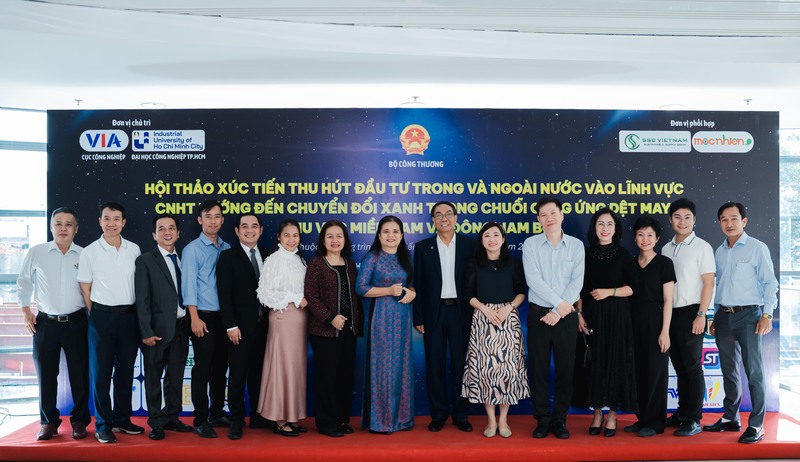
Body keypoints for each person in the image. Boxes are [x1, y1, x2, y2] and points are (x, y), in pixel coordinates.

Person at [706, 202, 778, 444]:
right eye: (724, 219)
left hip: (749, 317)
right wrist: (715, 315)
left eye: (734, 218)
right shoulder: (719, 251)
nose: (729, 224)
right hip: (723, 317)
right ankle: (730, 417)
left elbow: (770, 283)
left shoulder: (757, 247)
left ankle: (757, 424)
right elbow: (718, 285)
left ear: (744, 221)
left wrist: (767, 315)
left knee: (753, 372)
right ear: (719, 223)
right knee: (729, 371)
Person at [17, 207, 90, 441]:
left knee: (80, 374)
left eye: (69, 224)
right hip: (45, 323)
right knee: (46, 375)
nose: (63, 228)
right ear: (51, 227)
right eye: (58, 224)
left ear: (76, 229)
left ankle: (79, 421)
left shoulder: (85, 255)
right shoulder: (37, 252)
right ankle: (48, 422)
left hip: (77, 321)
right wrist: (25, 310)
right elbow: (23, 281)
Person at [77, 201, 142, 443]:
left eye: (116, 219)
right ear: (100, 222)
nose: (111, 223)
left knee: (125, 372)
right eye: (107, 218)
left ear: (123, 222)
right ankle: (103, 425)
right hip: (101, 317)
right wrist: (97, 312)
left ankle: (122, 420)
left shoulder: (134, 249)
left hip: (129, 317)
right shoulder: (90, 251)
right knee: (101, 374)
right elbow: (85, 287)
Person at [522, 196, 584, 439]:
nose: (549, 218)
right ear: (538, 219)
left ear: (562, 215)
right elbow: (533, 280)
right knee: (537, 369)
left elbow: (577, 282)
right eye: (544, 215)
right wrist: (557, 305)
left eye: (553, 213)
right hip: (539, 316)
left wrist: (558, 312)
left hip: (565, 318)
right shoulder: (531, 244)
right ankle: (542, 419)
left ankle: (559, 419)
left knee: (566, 369)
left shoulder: (576, 246)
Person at [461, 222, 528, 438]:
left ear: (503, 239)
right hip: (483, 319)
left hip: (508, 320)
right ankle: (491, 420)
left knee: (507, 371)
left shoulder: (513, 263)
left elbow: (521, 291)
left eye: (496, 235)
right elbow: (468, 293)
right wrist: (485, 309)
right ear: (481, 240)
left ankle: (504, 419)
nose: (492, 239)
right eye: (487, 235)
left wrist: (509, 308)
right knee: (486, 371)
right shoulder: (474, 263)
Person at [413, 201, 475, 433]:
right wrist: (418, 317)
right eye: (438, 215)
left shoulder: (470, 245)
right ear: (433, 220)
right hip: (434, 313)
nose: (444, 218)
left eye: (449, 214)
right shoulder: (423, 247)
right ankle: (438, 414)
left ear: (456, 218)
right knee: (435, 365)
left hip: (462, 313)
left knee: (461, 365)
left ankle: (461, 414)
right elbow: (419, 283)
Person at [577, 207, 638, 438]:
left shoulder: (622, 254)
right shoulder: (585, 254)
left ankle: (612, 415)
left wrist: (609, 292)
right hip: (591, 316)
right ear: (594, 227)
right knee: (595, 364)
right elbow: (579, 290)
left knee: (615, 363)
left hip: (616, 317)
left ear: (615, 228)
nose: (605, 228)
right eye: (601, 224)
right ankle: (597, 414)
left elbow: (633, 288)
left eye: (610, 224)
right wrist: (579, 315)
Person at [134, 214, 193, 440]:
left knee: (175, 376)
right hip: (156, 331)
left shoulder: (183, 259)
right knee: (153, 377)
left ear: (178, 233)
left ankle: (172, 416)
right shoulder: (145, 260)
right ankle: (156, 421)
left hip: (181, 327)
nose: (167, 232)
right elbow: (142, 300)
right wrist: (146, 332)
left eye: (171, 228)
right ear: (154, 235)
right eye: (161, 229)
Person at [357, 215, 417, 433]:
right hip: (380, 318)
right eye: (386, 231)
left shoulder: (406, 257)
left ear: (401, 236)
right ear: (379, 235)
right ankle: (381, 421)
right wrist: (388, 291)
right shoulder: (372, 257)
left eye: (395, 232)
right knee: (383, 367)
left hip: (402, 318)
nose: (391, 236)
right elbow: (361, 288)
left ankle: (401, 418)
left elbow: (412, 284)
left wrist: (413, 292)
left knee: (401, 366)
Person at [661, 197, 715, 437]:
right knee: (680, 366)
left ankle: (694, 418)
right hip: (670, 313)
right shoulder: (665, 248)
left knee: (692, 367)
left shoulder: (702, 247)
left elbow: (708, 283)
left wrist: (702, 314)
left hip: (692, 312)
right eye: (677, 217)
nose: (682, 222)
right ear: (670, 220)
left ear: (694, 220)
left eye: (687, 217)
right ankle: (682, 413)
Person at [216, 213, 273, 440]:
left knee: (259, 375)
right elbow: (224, 294)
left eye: (254, 226)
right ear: (237, 231)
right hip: (239, 329)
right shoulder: (228, 257)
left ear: (261, 230)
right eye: (245, 226)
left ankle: (258, 416)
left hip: (265, 328)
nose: (250, 230)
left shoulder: (269, 255)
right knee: (238, 376)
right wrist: (230, 325)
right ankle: (237, 420)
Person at [305, 220, 363, 437]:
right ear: (323, 240)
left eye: (339, 236)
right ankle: (326, 423)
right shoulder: (316, 264)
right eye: (330, 236)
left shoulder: (350, 264)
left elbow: (356, 296)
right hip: (325, 331)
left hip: (349, 330)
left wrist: (356, 324)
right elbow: (311, 296)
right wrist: (330, 318)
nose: (335, 240)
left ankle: (342, 420)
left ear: (345, 240)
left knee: (345, 377)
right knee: (327, 378)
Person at [182, 200, 231, 438]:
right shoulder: (192, 249)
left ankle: (217, 412)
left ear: (222, 220)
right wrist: (194, 317)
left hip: (225, 318)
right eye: (208, 216)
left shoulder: (227, 247)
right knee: (202, 368)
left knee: (221, 367)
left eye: (217, 216)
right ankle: (200, 419)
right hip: (203, 317)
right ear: (200, 220)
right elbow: (188, 286)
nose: (213, 221)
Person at [256, 218, 308, 437]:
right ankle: (278, 419)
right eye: (287, 235)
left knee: (295, 368)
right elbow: (264, 293)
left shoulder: (299, 260)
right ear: (279, 237)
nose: (291, 239)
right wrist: (294, 298)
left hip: (300, 320)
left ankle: (291, 416)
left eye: (295, 235)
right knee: (281, 366)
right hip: (283, 318)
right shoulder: (274, 260)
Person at [626, 216, 675, 437]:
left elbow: (668, 300)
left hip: (656, 324)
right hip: (633, 324)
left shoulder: (664, 264)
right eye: (640, 235)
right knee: (637, 372)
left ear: (657, 238)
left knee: (655, 372)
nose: (645, 239)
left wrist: (665, 331)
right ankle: (642, 419)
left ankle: (655, 423)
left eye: (649, 235)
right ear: (635, 238)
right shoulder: (630, 263)